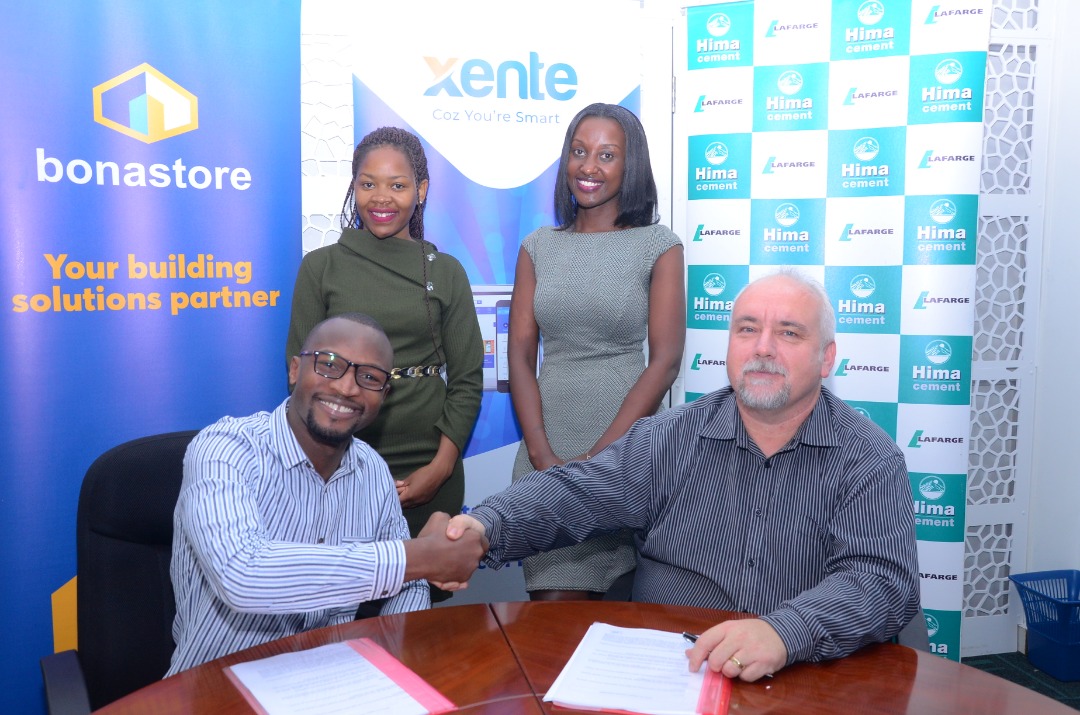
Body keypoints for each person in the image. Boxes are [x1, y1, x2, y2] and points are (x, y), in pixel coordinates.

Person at [445, 270, 919, 681]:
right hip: (670, 670)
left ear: (827, 357)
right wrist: (486, 526)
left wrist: (783, 632)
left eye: (790, 333)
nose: (764, 348)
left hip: (803, 673)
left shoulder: (868, 459)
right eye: (747, 329)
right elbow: (576, 492)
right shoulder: (669, 437)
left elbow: (880, 580)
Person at [168, 314, 486, 674]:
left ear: (384, 397)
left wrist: (392, 668)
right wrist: (418, 557)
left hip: (330, 685)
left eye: (369, 377)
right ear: (294, 370)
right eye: (329, 365)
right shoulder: (225, 448)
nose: (347, 388)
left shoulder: (373, 471)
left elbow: (409, 587)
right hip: (215, 689)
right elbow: (243, 575)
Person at [508, 103, 685, 601]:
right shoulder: (538, 246)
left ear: (631, 167)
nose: (589, 167)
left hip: (631, 455)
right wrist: (544, 455)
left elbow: (666, 360)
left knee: (635, 630)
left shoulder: (658, 245)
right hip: (548, 450)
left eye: (607, 155)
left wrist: (601, 457)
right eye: (579, 151)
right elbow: (520, 356)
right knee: (554, 620)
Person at [286, 127, 483, 545]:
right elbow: (300, 377)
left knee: (423, 602)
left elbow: (467, 380)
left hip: (429, 464)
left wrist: (442, 467)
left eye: (398, 185)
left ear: (422, 189)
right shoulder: (320, 267)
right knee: (346, 601)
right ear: (353, 186)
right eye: (368, 183)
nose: (381, 198)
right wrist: (328, 464)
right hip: (338, 461)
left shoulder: (446, 271)